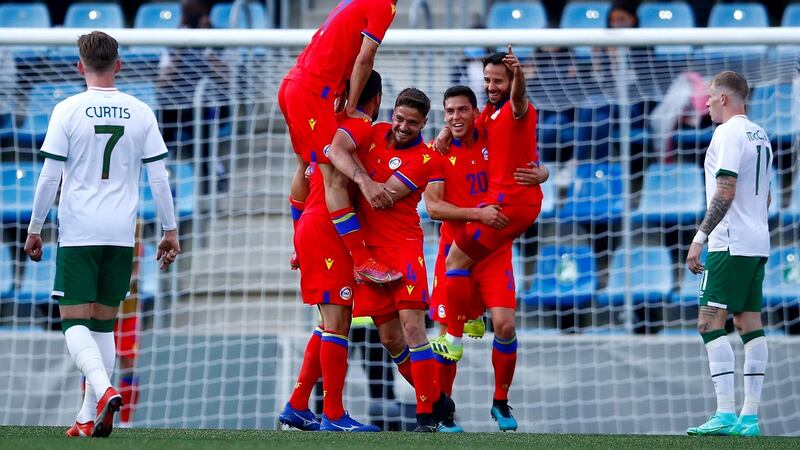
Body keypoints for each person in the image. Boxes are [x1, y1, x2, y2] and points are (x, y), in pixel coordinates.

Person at [23, 31, 180, 438]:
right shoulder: (140, 110)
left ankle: (104, 387)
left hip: (79, 231)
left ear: (80, 66)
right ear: (119, 65)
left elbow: (49, 175)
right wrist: (170, 230)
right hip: (122, 234)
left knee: (73, 323)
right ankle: (86, 415)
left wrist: (35, 227)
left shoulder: (68, 109)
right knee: (104, 326)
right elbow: (159, 178)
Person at [327, 87, 456, 432]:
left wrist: (355, 175)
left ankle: (426, 416)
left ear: (424, 123)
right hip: (369, 251)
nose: (402, 126)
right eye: (399, 118)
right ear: (392, 111)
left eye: (412, 123)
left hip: (403, 246)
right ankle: (439, 400)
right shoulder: (372, 133)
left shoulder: (427, 159)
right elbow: (334, 149)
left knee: (413, 328)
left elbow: (381, 198)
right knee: (390, 339)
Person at [424, 86, 548, 432]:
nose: (455, 117)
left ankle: (500, 402)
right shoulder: (437, 152)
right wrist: (476, 215)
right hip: (455, 251)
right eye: (449, 112)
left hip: (494, 251)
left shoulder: (493, 138)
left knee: (506, 326)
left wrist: (542, 172)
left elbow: (528, 159)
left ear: (475, 111)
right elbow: (433, 207)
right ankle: (445, 414)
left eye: (462, 110)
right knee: (451, 338)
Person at [277, 71, 385, 433]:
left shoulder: (323, 125)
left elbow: (299, 180)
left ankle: (297, 405)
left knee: (327, 323)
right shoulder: (358, 126)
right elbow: (338, 184)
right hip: (329, 228)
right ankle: (334, 414)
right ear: (378, 96)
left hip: (310, 223)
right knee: (339, 322)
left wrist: (297, 235)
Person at [430, 46, 542, 366]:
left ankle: (454, 339)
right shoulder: (486, 116)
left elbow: (519, 99)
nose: (493, 86)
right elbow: (460, 118)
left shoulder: (515, 107)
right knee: (503, 324)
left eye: (499, 81)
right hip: (505, 205)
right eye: (487, 80)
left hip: (510, 205)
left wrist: (518, 76)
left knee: (455, 259)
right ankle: (475, 321)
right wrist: (443, 129)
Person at [277, 0, 401, 284]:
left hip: (292, 84)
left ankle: (299, 248)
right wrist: (351, 106)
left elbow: (342, 48)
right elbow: (364, 58)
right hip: (312, 91)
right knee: (333, 175)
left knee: (304, 165)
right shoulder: (384, 5)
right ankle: (361, 260)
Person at [685, 71, 771, 437]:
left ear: (724, 98)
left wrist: (701, 236)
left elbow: (726, 189)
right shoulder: (760, 134)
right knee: (748, 323)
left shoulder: (728, 132)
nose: (704, 103)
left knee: (708, 322)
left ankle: (724, 413)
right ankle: (748, 418)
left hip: (729, 243)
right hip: (757, 241)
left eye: (709, 96)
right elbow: (765, 195)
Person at [157, 0, 229, 195]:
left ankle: (214, 174)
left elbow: (227, 79)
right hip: (176, 104)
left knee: (203, 121)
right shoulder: (175, 40)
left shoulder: (220, 39)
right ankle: (161, 171)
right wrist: (181, 48)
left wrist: (206, 48)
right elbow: (162, 82)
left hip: (210, 103)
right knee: (162, 116)